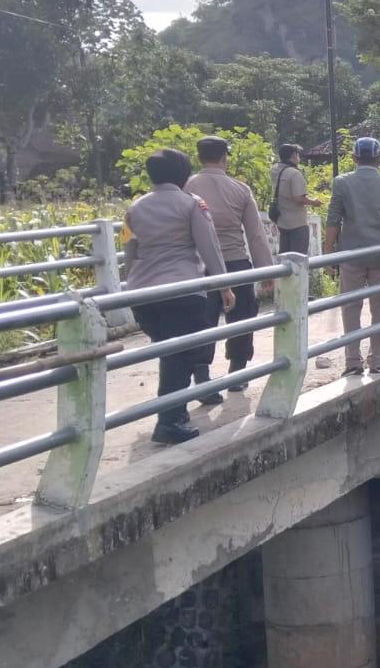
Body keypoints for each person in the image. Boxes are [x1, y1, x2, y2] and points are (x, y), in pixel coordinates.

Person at [122, 149, 232, 444]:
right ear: (183, 173)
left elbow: (129, 251)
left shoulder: (135, 208)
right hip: (182, 291)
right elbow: (209, 246)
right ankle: (169, 421)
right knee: (181, 355)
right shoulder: (192, 204)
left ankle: (175, 412)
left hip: (143, 293)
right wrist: (225, 285)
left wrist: (124, 287)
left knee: (169, 353)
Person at [187, 135, 275, 396]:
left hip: (199, 265)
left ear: (199, 158)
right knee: (242, 315)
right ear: (225, 157)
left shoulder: (186, 187)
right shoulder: (240, 189)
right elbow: (255, 234)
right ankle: (237, 372)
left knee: (202, 319)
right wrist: (265, 269)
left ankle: (202, 374)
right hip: (235, 261)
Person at [324, 137, 380, 375]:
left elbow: (333, 220)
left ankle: (352, 362)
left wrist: (329, 254)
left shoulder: (342, 183)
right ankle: (377, 360)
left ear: (354, 158)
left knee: (351, 307)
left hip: (351, 255)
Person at [270, 143, 321, 255]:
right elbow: (299, 198)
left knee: (285, 256)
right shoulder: (294, 173)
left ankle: (284, 273)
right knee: (299, 258)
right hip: (297, 223)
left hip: (282, 221)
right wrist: (314, 202)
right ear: (293, 156)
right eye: (297, 155)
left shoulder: (274, 170)